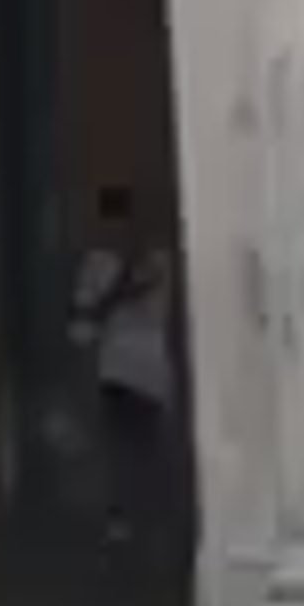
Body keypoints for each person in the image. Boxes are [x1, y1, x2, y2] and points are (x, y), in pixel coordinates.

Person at [64, 185, 179, 557]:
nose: (118, 226)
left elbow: (159, 305)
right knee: (122, 445)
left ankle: (146, 518)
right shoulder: (99, 263)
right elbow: (83, 318)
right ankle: (122, 517)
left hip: (148, 365)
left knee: (146, 446)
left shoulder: (157, 259)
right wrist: (123, 287)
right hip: (118, 367)